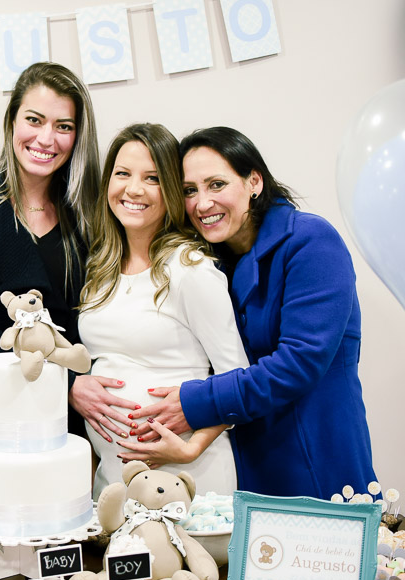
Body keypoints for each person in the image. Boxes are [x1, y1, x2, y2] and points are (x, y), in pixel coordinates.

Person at [129, 126, 377, 500]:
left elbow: (299, 363)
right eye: (189, 191)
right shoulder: (207, 261)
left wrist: (195, 403)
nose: (202, 203)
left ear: (254, 182)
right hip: (246, 462)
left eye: (216, 184)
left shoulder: (310, 240)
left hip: (314, 455)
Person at [0, 62, 116, 452]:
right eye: (34, 120)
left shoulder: (88, 218)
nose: (46, 138)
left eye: (63, 126)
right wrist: (68, 382)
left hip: (60, 422)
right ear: (11, 122)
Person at [76, 123, 248, 498]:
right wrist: (77, 386)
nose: (133, 189)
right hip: (114, 484)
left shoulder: (190, 269)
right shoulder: (99, 269)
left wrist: (191, 448)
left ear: (170, 189)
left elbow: (237, 379)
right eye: (123, 174)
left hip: (190, 479)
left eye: (151, 178)